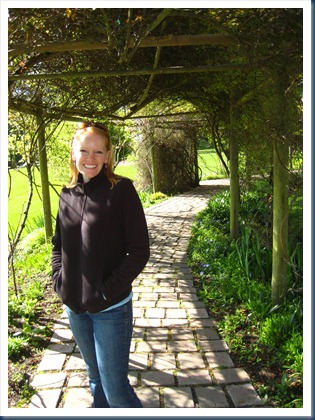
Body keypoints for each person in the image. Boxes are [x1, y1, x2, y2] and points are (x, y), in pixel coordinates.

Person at [51, 121, 150, 408]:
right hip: (75, 308)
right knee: (95, 379)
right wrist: (60, 281)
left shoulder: (121, 191)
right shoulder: (67, 194)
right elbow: (58, 245)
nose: (90, 159)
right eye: (84, 150)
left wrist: (106, 292)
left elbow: (139, 251)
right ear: (73, 153)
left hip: (110, 309)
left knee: (115, 388)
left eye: (98, 152)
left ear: (108, 155)